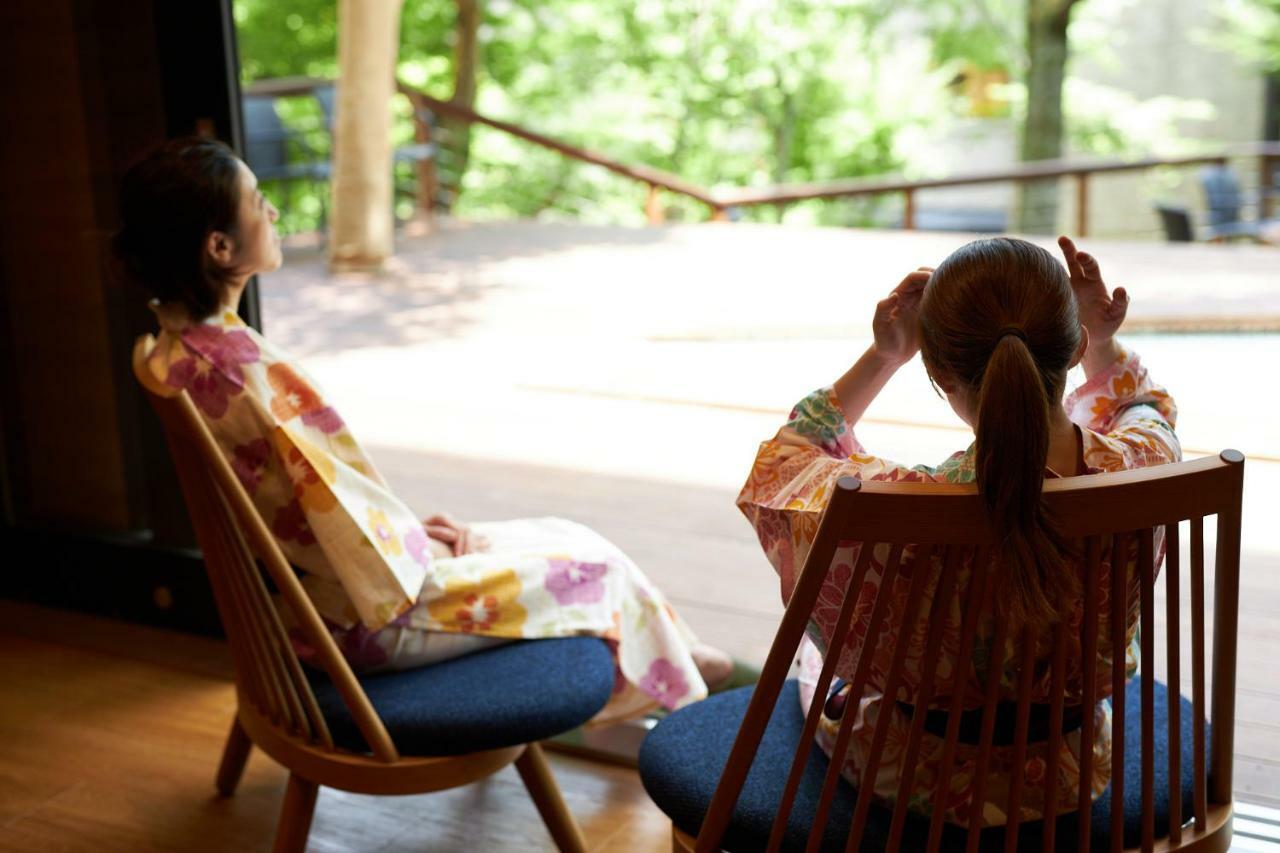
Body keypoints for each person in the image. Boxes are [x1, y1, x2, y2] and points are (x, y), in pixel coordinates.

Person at [115, 136, 732, 724]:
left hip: (317, 601)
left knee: (560, 532)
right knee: (594, 566)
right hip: (362, 620)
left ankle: (679, 656)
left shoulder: (178, 352)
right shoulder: (243, 374)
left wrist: (411, 534)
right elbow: (337, 523)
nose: (273, 211)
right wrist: (419, 550)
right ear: (220, 248)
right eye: (257, 203)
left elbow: (313, 509)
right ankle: (686, 681)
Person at [737, 236, 1179, 826]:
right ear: (1070, 348)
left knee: (814, 666)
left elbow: (784, 463)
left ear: (940, 373)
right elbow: (1145, 407)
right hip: (1073, 768)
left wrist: (885, 354)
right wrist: (1100, 337)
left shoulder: (896, 507)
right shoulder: (1144, 466)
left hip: (914, 772)